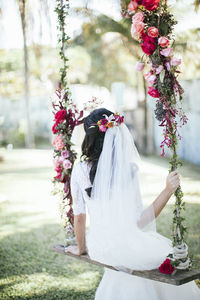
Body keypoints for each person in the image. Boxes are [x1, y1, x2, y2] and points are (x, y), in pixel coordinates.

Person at [65, 108, 200, 300]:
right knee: (157, 256)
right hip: (125, 242)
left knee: (141, 265)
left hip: (101, 245)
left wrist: (81, 248)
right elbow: (140, 221)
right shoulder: (128, 171)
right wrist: (167, 190)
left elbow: (79, 217)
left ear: (90, 138)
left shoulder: (79, 170)